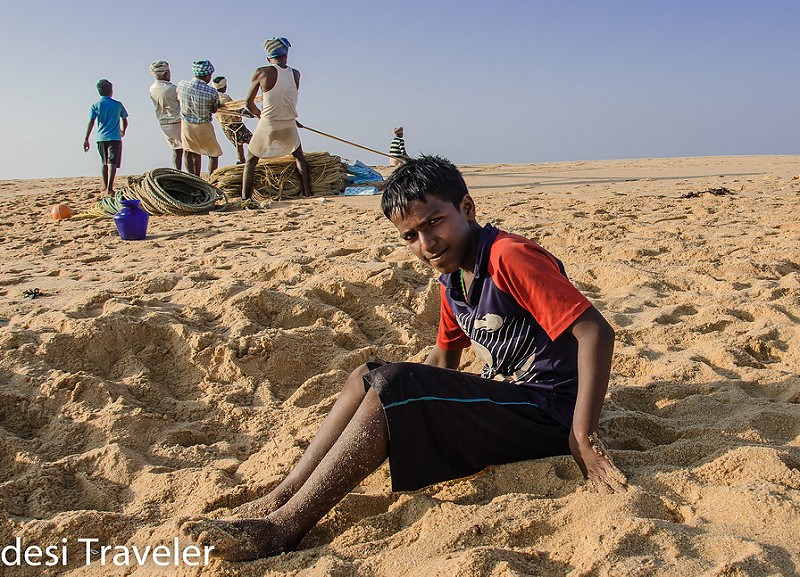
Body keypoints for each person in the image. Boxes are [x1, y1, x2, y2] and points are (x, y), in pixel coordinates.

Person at [181, 155, 628, 561]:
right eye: (411, 236)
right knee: (368, 375)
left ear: (467, 209)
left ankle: (283, 529)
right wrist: (392, 391)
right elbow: (443, 360)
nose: (427, 243)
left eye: (435, 222)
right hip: (509, 399)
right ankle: (284, 494)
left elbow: (595, 332)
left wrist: (582, 436)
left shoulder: (509, 256)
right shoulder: (451, 278)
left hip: (550, 411)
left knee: (394, 386)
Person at [241, 37, 311, 202]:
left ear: (268, 58)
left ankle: (244, 197)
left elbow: (248, 104)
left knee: (251, 160)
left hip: (269, 123)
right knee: (299, 156)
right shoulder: (296, 74)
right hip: (289, 122)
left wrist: (259, 114)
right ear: (286, 55)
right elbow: (287, 99)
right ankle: (307, 193)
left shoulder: (261, 72)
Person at [177, 60, 223, 177]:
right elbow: (214, 109)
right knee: (213, 153)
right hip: (204, 126)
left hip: (187, 124)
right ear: (207, 75)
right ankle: (211, 178)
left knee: (189, 150)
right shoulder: (211, 91)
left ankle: (193, 177)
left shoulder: (182, 85)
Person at [83, 79, 128, 196]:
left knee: (104, 162)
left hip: (101, 137)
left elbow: (91, 122)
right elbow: (125, 120)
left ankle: (104, 186)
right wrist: (123, 130)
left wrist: (86, 138)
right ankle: (110, 188)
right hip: (115, 137)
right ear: (111, 91)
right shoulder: (117, 105)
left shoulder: (96, 105)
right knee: (112, 163)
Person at [148, 60, 183, 171]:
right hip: (177, 121)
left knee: (176, 150)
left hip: (163, 123)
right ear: (165, 73)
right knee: (187, 150)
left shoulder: (152, 89)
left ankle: (177, 171)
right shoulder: (172, 88)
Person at [212, 76, 253, 164]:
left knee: (239, 145)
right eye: (225, 85)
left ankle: (241, 162)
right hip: (236, 125)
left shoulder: (214, 97)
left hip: (226, 127)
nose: (226, 87)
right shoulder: (224, 98)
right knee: (253, 143)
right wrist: (250, 114)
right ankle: (252, 162)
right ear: (223, 87)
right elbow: (236, 108)